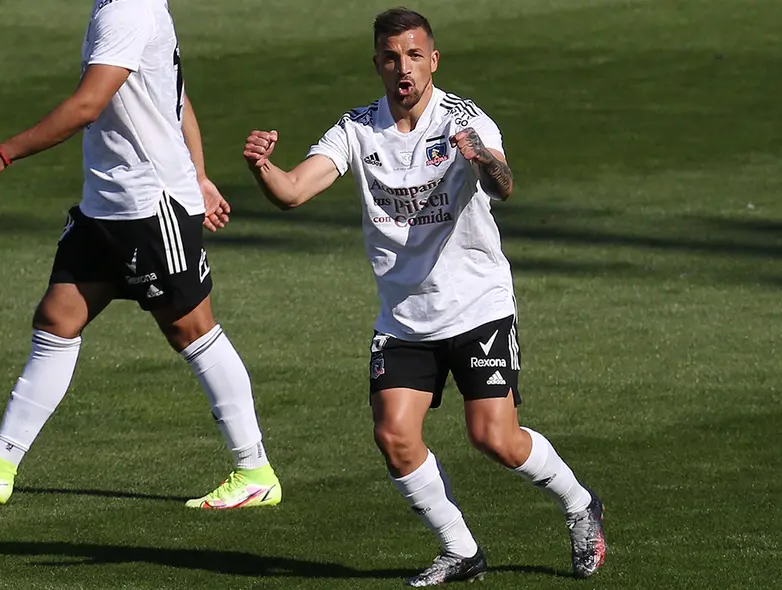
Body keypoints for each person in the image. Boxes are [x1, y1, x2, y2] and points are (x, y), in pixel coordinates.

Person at [242, 7, 604, 586]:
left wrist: (482, 159)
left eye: (414, 56)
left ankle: (580, 504)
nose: (402, 68)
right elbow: (292, 192)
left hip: (477, 305)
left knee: (494, 438)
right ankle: (461, 550)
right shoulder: (357, 128)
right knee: (394, 436)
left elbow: (504, 186)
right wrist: (264, 167)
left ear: (433, 60)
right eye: (391, 58)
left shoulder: (464, 120)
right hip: (406, 318)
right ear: (378, 65)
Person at [0, 0, 281, 511]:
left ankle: (254, 470)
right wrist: (199, 174)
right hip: (105, 206)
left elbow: (88, 105)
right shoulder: (123, 5)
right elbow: (172, 94)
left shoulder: (126, 11)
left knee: (192, 329)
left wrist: (3, 153)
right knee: (57, 319)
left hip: (148, 205)